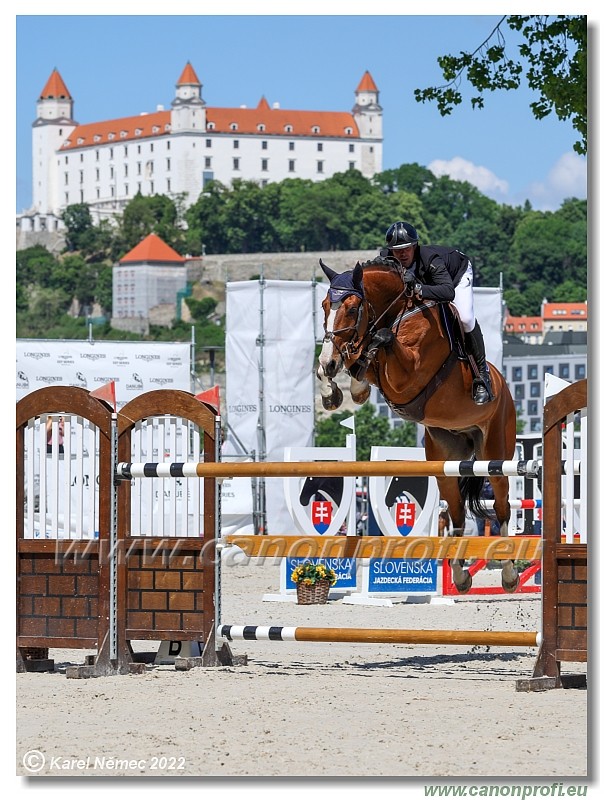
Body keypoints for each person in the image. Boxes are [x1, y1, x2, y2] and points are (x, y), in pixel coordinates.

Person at [379, 220, 493, 405]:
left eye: (406, 248)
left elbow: (448, 292)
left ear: (415, 246)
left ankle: (482, 375)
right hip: (430, 285)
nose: (402, 253)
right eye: (397, 249)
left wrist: (417, 287)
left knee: (465, 318)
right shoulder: (387, 261)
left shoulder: (431, 259)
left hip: (455, 277)